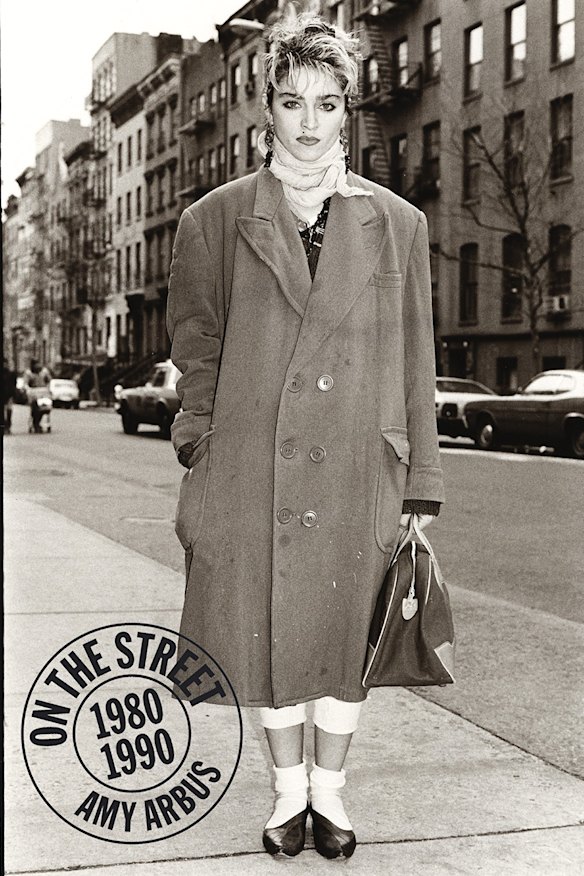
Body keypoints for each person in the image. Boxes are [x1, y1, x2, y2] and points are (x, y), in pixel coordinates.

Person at [167, 15, 444, 860]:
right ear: (269, 111)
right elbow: (196, 348)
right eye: (294, 103)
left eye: (328, 104)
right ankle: (289, 797)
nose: (311, 122)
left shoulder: (398, 224)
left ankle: (333, 793)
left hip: (363, 465)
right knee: (269, 632)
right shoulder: (212, 220)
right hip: (251, 466)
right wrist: (200, 448)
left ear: (349, 111)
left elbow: (416, 359)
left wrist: (420, 486)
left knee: (341, 639)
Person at [2, 358, 17, 434]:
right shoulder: (10, 373)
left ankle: (8, 425)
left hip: (9, 394)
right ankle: (4, 425)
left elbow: (14, 384)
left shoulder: (11, 374)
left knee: (9, 410)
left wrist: (13, 393)